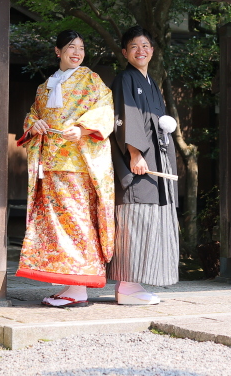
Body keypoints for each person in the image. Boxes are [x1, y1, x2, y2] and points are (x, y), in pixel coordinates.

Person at [16, 30, 115, 308]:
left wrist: (82, 129)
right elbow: (33, 115)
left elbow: (105, 109)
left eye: (81, 48)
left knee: (76, 221)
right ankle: (70, 285)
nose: (77, 53)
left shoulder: (91, 80)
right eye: (71, 47)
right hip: (50, 165)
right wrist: (34, 125)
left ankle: (79, 288)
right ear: (58, 51)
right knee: (55, 226)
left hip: (77, 165)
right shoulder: (45, 87)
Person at [109, 25, 180, 305]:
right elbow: (126, 117)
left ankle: (134, 284)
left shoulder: (152, 83)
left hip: (155, 162)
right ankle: (126, 286)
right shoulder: (125, 79)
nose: (141, 51)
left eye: (145, 46)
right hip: (137, 163)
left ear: (152, 50)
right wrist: (134, 153)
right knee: (135, 218)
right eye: (134, 46)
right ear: (125, 52)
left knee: (150, 219)